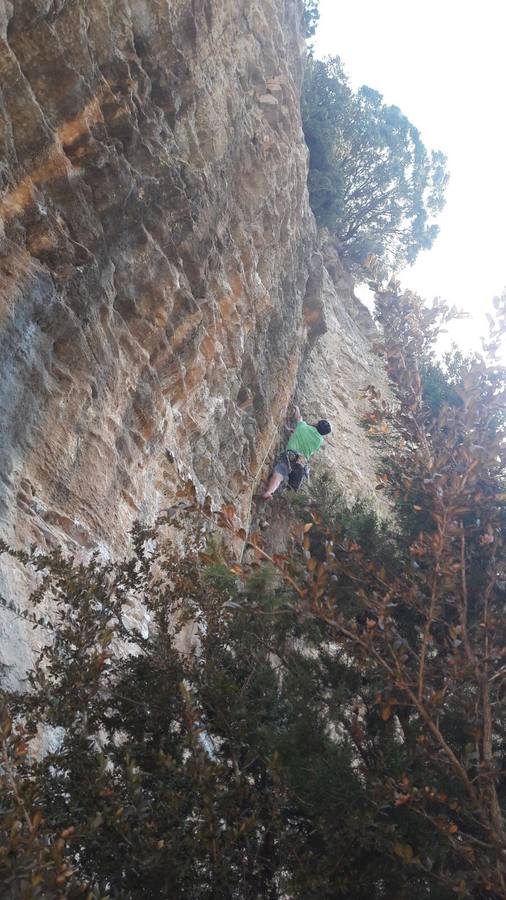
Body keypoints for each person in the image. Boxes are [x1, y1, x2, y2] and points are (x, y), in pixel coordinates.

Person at [262, 405, 331, 499]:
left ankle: (269, 492)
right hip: (301, 464)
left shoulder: (303, 426)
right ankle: (285, 502)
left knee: (280, 473)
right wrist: (294, 432)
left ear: (317, 424)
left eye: (317, 421)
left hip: (290, 457)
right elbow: (305, 438)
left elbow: (298, 417)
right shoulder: (319, 441)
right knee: (292, 489)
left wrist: (296, 409)